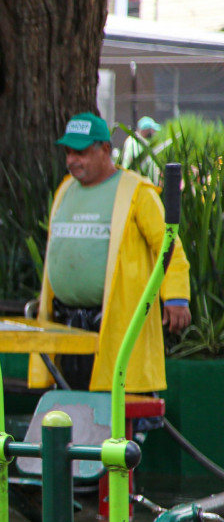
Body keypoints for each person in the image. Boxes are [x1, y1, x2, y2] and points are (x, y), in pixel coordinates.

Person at [29, 111, 191, 393]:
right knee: (73, 410)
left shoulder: (137, 192)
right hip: (67, 324)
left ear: (105, 149)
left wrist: (176, 298)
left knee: (118, 404)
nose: (71, 161)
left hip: (116, 323)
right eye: (68, 152)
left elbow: (169, 246)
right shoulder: (65, 190)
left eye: (79, 152)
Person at [120, 115, 165, 184]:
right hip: (137, 184)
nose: (154, 133)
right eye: (152, 130)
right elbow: (133, 161)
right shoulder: (135, 143)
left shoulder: (141, 142)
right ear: (146, 129)